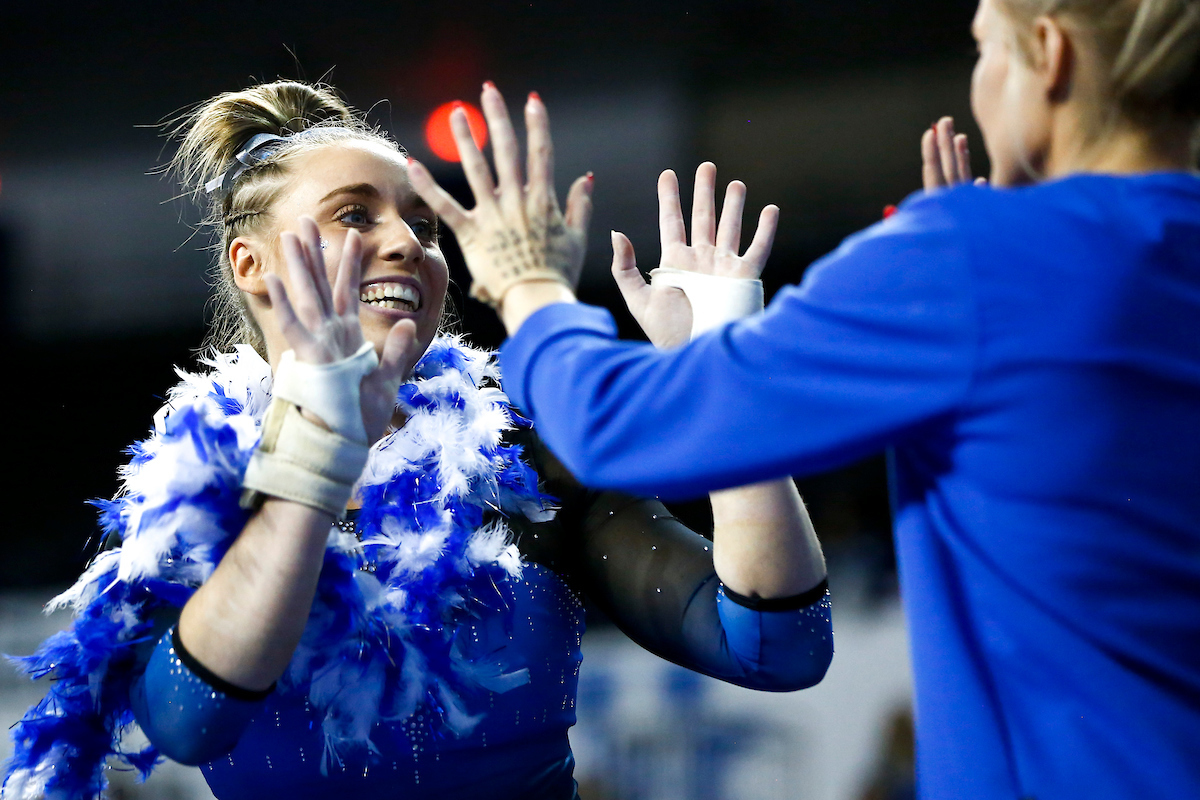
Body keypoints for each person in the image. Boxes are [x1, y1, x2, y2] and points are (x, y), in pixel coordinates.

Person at [405, 0, 1200, 797]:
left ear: (1051, 55)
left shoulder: (978, 257)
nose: (980, 83)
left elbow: (610, 426)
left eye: (985, 48)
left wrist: (530, 282)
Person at [2, 81, 833, 800]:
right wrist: (315, 453)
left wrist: (727, 392)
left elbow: (780, 647)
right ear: (251, 265)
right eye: (353, 215)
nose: (406, 242)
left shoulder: (525, 464)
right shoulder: (193, 500)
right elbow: (189, 722)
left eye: (424, 225)